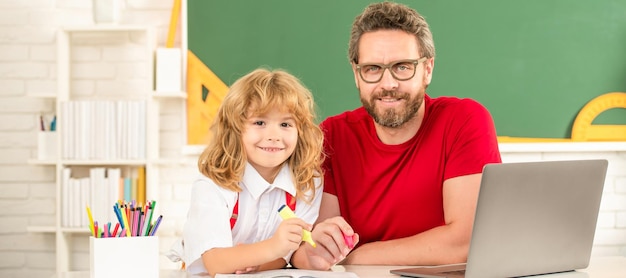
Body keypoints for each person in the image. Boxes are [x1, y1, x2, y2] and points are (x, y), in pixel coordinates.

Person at [290, 2, 501, 270]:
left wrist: (353, 257)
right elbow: (323, 247)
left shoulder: (464, 121)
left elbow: (466, 242)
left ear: (428, 69)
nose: (387, 84)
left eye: (402, 67)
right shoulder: (331, 136)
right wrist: (315, 252)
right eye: (372, 69)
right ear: (357, 75)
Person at [169, 68, 325, 276]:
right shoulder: (213, 183)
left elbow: (283, 258)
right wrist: (273, 247)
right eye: (259, 122)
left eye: (285, 124)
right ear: (235, 128)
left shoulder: (307, 183)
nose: (273, 135)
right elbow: (216, 263)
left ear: (301, 132)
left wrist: (257, 262)